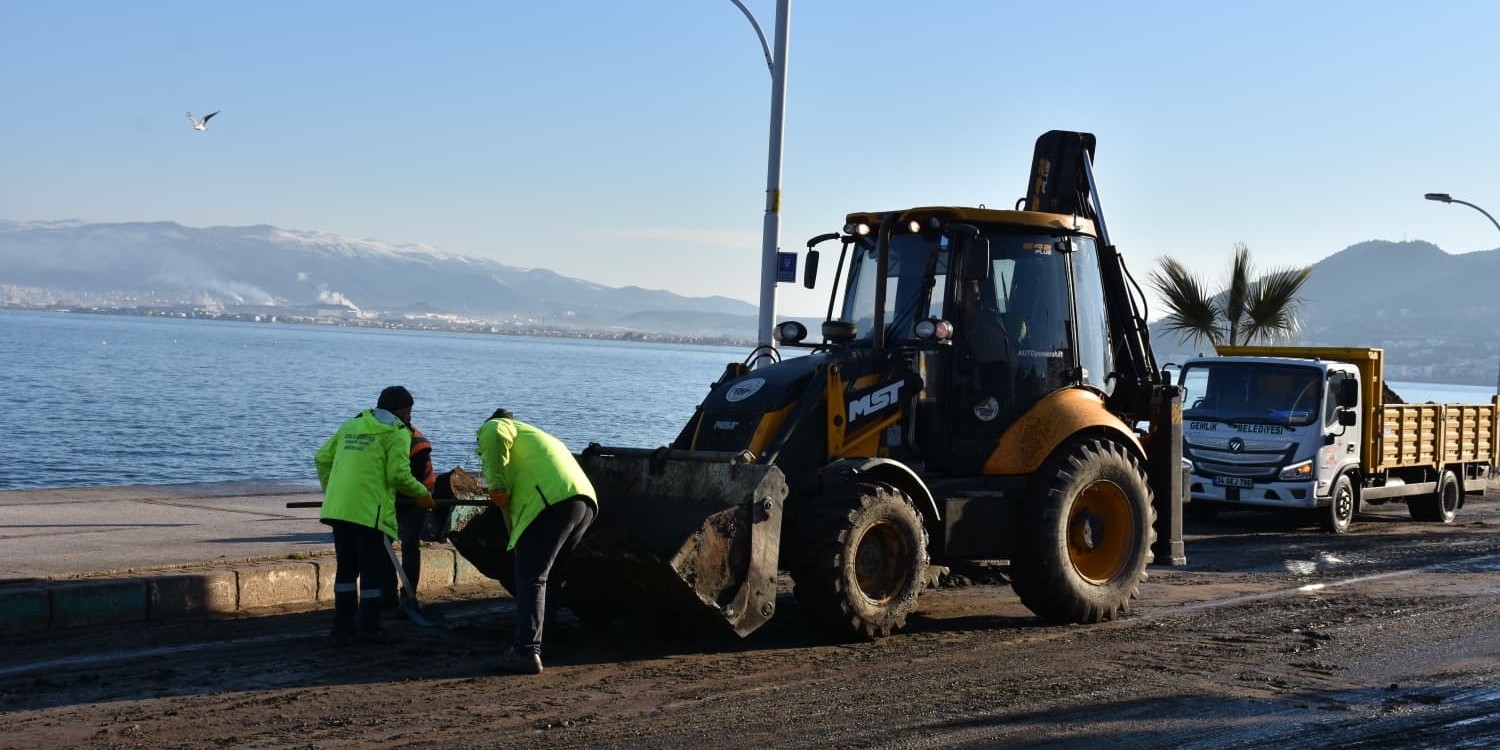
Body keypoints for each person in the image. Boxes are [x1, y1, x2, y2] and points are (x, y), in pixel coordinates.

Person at [476, 408, 598, 675]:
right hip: (584, 502)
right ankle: (544, 642)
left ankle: (525, 650)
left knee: (531, 575)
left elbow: (495, 434)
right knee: (551, 575)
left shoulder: (496, 426)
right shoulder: (536, 436)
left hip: (552, 502)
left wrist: (495, 485)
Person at [315, 386, 434, 642]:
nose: (410, 416)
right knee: (371, 570)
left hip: (339, 510)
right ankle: (369, 627)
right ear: (402, 410)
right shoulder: (396, 433)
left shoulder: (351, 425)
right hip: (369, 514)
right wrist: (421, 494)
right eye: (409, 411)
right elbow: (398, 475)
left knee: (346, 570)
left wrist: (333, 490)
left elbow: (322, 459)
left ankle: (342, 625)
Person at [380, 390, 437, 614]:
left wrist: (418, 497)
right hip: (391, 495)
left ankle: (409, 596)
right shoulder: (383, 433)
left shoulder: (414, 440)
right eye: (407, 410)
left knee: (410, 545)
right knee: (385, 545)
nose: (409, 414)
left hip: (419, 494)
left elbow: (413, 477)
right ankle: (388, 596)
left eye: (410, 410)